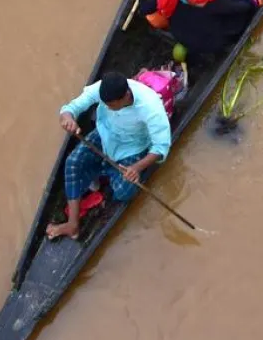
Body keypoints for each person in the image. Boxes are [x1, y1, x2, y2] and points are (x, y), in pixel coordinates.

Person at [46, 72, 172, 240]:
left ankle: (100, 174)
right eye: (104, 104)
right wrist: (67, 117)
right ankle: (72, 224)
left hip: (132, 147)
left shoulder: (150, 106)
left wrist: (136, 168)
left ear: (126, 96)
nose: (107, 107)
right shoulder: (102, 89)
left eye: (111, 105)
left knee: (122, 192)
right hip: (105, 134)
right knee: (72, 162)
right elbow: (74, 106)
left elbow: (161, 147)